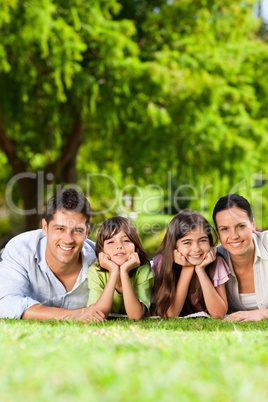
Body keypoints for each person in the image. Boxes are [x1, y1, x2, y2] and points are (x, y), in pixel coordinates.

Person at [0, 188, 105, 322]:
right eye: (60, 228)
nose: (68, 239)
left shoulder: (100, 260)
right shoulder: (20, 250)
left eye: (77, 230)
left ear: (86, 232)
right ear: (45, 227)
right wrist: (73, 315)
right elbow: (5, 303)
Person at [152, 209, 230, 319]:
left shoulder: (216, 263)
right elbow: (171, 314)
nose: (196, 249)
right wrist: (187, 269)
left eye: (202, 240)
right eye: (187, 242)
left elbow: (219, 314)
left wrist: (200, 270)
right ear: (174, 245)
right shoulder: (162, 262)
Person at [213, 193, 268, 322]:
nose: (234, 236)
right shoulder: (215, 259)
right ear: (218, 233)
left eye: (241, 226)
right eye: (225, 229)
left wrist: (261, 314)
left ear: (253, 225)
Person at [87, 217, 154, 320]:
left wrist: (124, 273)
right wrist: (113, 272)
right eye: (110, 242)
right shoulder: (95, 271)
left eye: (126, 240)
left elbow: (135, 316)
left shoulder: (143, 270)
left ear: (135, 247)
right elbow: (98, 315)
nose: (119, 246)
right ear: (102, 250)